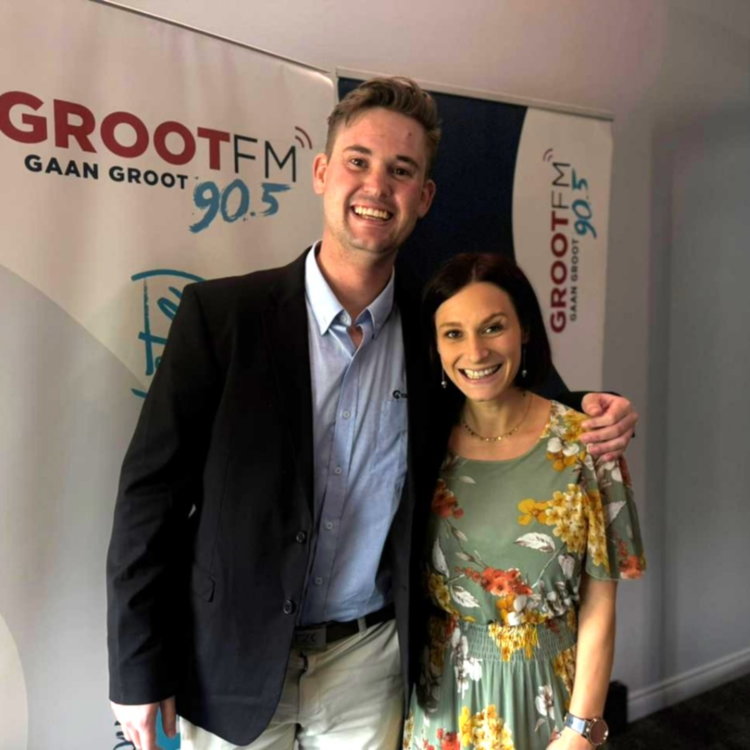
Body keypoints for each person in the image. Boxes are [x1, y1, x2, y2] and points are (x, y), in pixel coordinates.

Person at [107, 78, 638, 750]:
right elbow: (149, 499)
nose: (376, 186)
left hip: (372, 665)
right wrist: (136, 665)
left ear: (425, 197)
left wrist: (593, 408)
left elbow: (506, 391)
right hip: (232, 658)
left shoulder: (435, 331)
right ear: (322, 172)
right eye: (358, 161)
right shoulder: (221, 318)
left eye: (401, 170)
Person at [403, 253, 646, 750]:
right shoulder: (419, 443)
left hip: (548, 700)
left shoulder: (586, 444)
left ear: (525, 331)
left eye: (493, 327)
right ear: (435, 345)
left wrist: (582, 728)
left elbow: (600, 601)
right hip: (440, 702)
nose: (475, 351)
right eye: (453, 333)